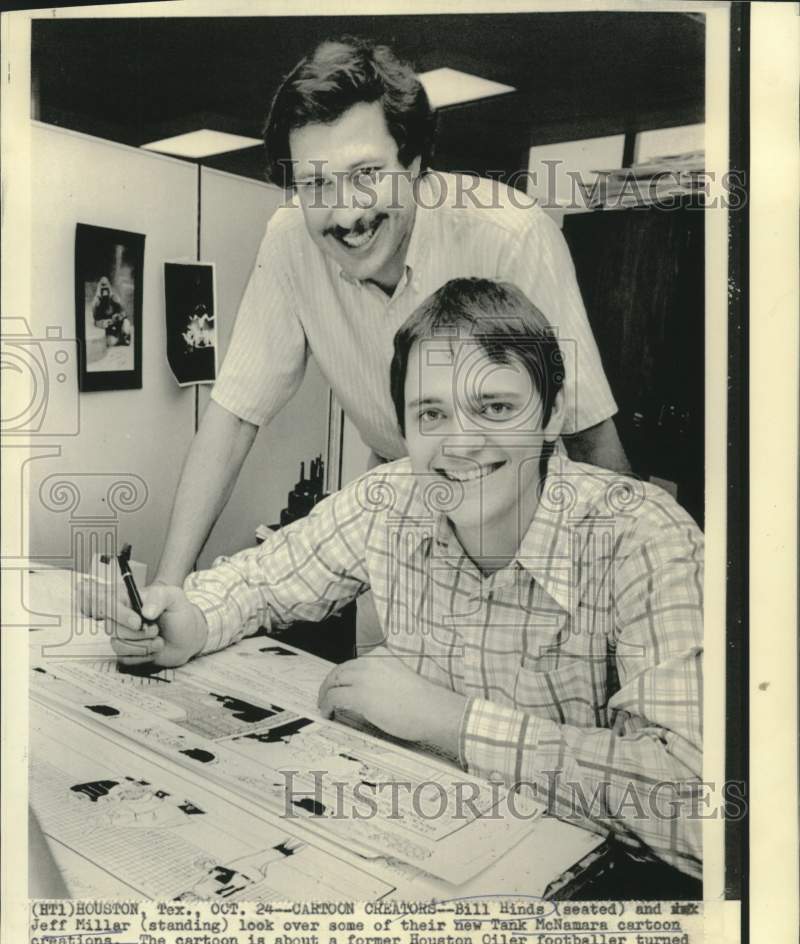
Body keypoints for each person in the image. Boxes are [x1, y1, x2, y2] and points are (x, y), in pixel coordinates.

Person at [103, 278, 703, 877]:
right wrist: (192, 621)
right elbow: (260, 580)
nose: (461, 442)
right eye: (432, 413)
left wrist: (451, 722)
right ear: (406, 429)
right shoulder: (390, 499)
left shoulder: (644, 536)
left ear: (553, 414)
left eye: (494, 407)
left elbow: (698, 809)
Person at [146, 36, 628, 591]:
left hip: (526, 521)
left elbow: (589, 433)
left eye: (366, 174)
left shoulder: (510, 234)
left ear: (416, 164)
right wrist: (167, 584)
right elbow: (232, 420)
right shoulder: (288, 242)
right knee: (373, 667)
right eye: (316, 183)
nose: (345, 213)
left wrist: (618, 595)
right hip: (401, 503)